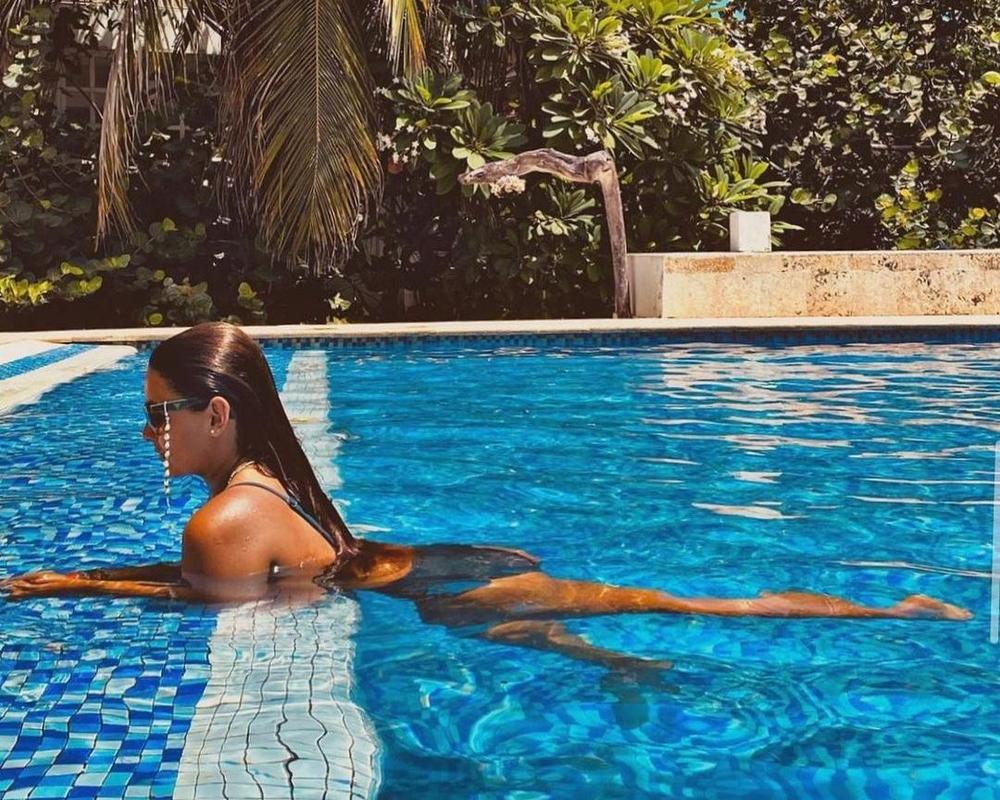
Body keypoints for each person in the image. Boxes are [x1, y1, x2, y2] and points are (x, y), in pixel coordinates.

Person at [0, 323, 972, 672]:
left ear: (216, 414)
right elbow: (206, 578)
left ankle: (896, 612)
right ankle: (617, 663)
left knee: (693, 605)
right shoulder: (265, 483)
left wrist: (92, 587)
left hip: (442, 590)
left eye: (158, 414)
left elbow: (208, 594)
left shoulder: (221, 521)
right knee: (645, 613)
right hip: (430, 569)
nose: (149, 432)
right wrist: (80, 579)